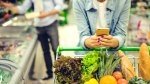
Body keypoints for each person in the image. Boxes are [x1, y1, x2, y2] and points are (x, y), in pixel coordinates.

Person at [0, 0, 64, 80]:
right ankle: (49, 73)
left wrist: (46, 14)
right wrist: (7, 6)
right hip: (39, 25)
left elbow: (60, 6)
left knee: (56, 49)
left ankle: (61, 73)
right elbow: (23, 8)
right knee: (45, 51)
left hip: (51, 23)